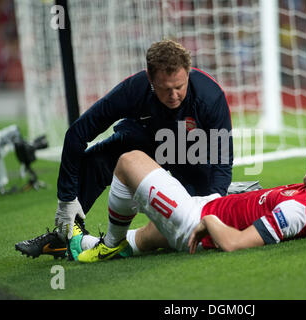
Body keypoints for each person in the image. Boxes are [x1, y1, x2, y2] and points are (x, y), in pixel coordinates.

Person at [15, 39, 233, 259]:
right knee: (97, 160)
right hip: (142, 142)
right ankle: (67, 235)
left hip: (189, 155)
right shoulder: (134, 90)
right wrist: (66, 199)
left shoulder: (210, 97)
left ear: (187, 74)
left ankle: (231, 195)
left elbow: (222, 160)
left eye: (179, 87)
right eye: (165, 89)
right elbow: (77, 133)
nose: (174, 95)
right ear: (150, 79)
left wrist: (214, 204)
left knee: (194, 221)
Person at [73, 132, 306, 263]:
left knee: (129, 160)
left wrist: (209, 221)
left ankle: (109, 244)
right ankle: (70, 244)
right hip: (208, 205)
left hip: (196, 220)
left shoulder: (297, 212)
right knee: (142, 239)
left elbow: (235, 244)